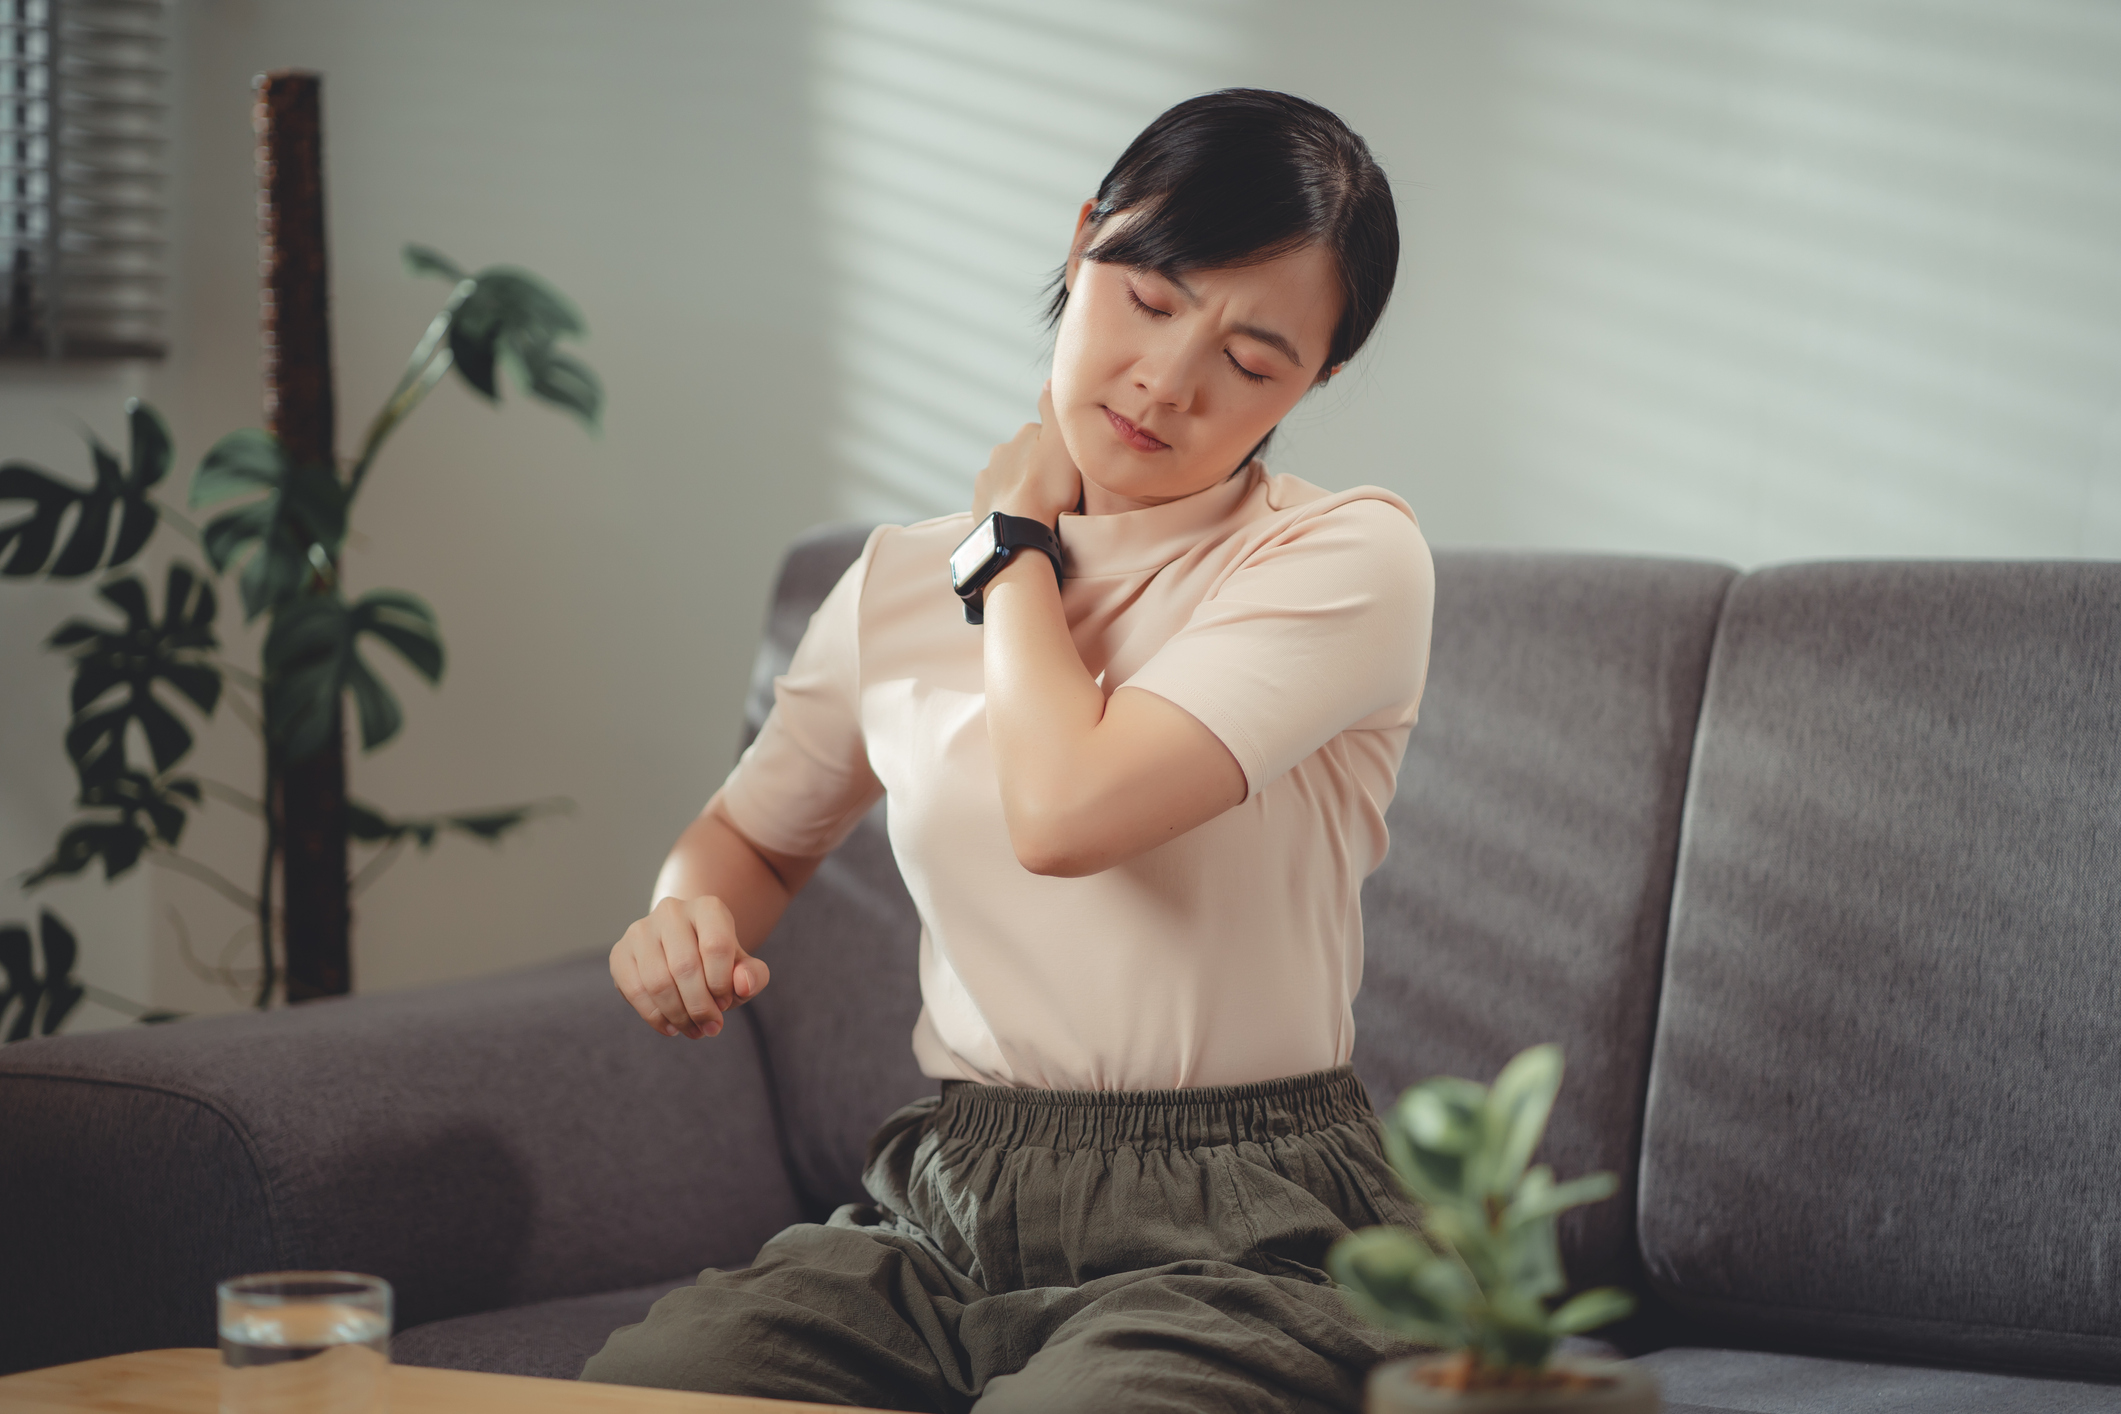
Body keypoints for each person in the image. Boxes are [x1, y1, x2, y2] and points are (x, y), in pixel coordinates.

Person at [584, 88, 1436, 1413]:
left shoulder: (1337, 558)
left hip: (1252, 1232)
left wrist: (1009, 545)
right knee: (650, 1385)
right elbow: (752, 835)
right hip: (950, 1200)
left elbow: (1065, 808)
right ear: (1085, 233)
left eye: (1253, 358)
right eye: (1149, 296)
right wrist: (681, 915)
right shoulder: (893, 584)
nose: (1167, 377)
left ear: (1315, 379)